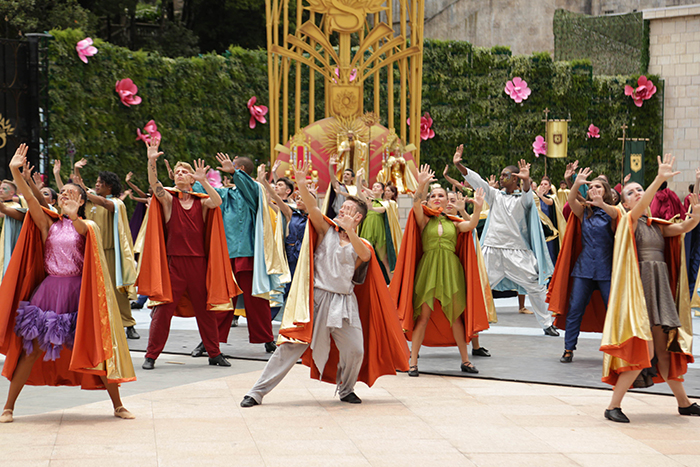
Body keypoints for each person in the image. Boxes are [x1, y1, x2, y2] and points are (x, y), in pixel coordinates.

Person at [240, 162, 409, 407]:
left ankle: (346, 389)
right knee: (290, 347)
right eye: (342, 207)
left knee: (355, 350)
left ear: (358, 217)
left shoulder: (363, 243)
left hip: (344, 303)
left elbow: (364, 256)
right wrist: (300, 183)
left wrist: (351, 232)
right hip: (316, 300)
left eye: (348, 209)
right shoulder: (325, 229)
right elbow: (312, 208)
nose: (342, 210)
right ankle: (256, 392)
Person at [0, 144, 136, 423]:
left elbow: (86, 232)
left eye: (71, 193)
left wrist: (74, 216)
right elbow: (31, 200)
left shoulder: (88, 226)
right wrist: (14, 170)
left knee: (96, 349)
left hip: (79, 294)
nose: (64, 195)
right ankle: (9, 406)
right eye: (62, 193)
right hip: (49, 293)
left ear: (82, 200)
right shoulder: (49, 223)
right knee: (31, 351)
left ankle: (118, 405)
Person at [601, 154, 700, 423]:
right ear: (624, 203)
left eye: (639, 190)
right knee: (645, 353)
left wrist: (697, 211)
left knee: (663, 353)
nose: (637, 194)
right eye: (631, 192)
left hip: (659, 289)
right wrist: (659, 179)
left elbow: (685, 226)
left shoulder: (656, 226)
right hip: (639, 293)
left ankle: (683, 403)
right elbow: (641, 207)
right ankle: (612, 406)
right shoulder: (627, 221)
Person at [137, 139, 238, 369]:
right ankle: (151, 355)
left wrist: (204, 181)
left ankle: (214, 353)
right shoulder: (168, 200)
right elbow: (154, 185)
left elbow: (217, 201)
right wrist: (151, 161)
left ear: (192, 179)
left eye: (185, 172)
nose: (181, 174)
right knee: (163, 311)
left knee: (206, 312)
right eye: (178, 172)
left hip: (198, 264)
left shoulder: (201, 202)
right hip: (174, 264)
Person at [391, 164, 493, 376]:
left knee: (455, 317)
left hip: (451, 272)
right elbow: (416, 203)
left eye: (441, 195)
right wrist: (422, 184)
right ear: (429, 200)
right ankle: (413, 362)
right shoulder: (424, 220)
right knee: (423, 317)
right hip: (428, 271)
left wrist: (477, 208)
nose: (437, 198)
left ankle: (465, 361)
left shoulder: (454, 223)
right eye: (434, 196)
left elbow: (471, 225)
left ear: (448, 201)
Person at [453, 145, 558, 336]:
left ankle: (547, 323)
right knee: (476, 285)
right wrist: (459, 166)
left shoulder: (524, 199)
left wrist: (526, 181)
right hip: (491, 250)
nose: (501, 178)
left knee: (536, 286)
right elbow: (478, 181)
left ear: (515, 179)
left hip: (517, 252)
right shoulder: (495, 195)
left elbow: (527, 196)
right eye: (501, 175)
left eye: (505, 175)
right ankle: (464, 321)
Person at [190, 152, 282, 358]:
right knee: (222, 299)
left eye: (233, 166)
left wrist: (234, 173)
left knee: (256, 299)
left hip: (247, 254)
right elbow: (203, 195)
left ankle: (267, 339)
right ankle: (209, 341)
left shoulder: (254, 190)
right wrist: (197, 180)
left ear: (240, 170)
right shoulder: (226, 193)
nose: (227, 167)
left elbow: (248, 187)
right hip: (225, 254)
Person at [547, 168, 618, 363]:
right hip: (583, 268)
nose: (594, 189)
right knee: (575, 308)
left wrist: (602, 203)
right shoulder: (584, 211)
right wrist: (577, 182)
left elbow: (614, 215)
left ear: (606, 191)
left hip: (606, 269)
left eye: (598, 187)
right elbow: (571, 201)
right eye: (591, 187)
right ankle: (568, 349)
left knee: (612, 310)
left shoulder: (614, 212)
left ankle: (615, 350)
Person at [68, 163, 140, 340]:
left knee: (117, 290)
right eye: (97, 182)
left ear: (110, 186)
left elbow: (102, 201)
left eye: (101, 182)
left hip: (111, 254)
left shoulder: (116, 203)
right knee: (92, 289)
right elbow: (80, 188)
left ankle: (128, 324)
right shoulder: (89, 202)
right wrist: (76, 171)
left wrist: (84, 191)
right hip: (91, 253)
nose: (97, 184)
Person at [0, 179, 26, 282]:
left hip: (6, 244)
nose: (1, 190)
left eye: (4, 188)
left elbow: (3, 213)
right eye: (0, 188)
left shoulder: (16, 207)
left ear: (12, 193)